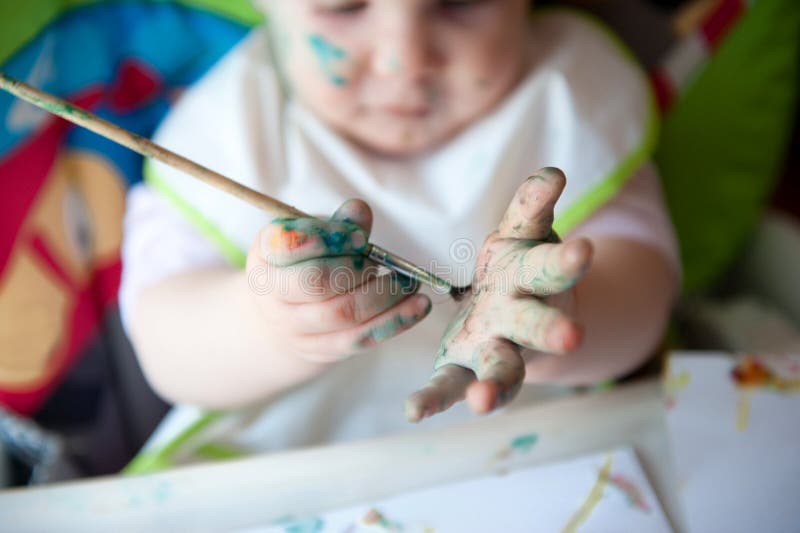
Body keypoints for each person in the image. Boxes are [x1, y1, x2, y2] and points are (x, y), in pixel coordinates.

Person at [120, 0, 679, 466]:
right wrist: (266, 324)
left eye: (459, 2)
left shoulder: (569, 93)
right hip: (282, 464)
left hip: (537, 451)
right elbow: (163, 342)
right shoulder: (228, 129)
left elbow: (643, 295)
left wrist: (559, 313)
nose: (404, 60)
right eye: (343, 6)